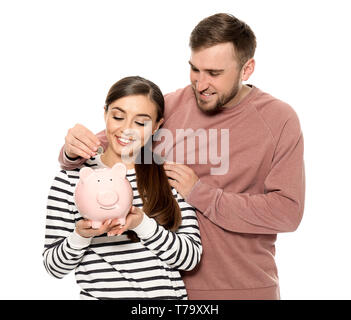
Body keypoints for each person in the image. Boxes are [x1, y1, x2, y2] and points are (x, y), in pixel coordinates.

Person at [58, 13, 305, 300]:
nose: (200, 84)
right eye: (194, 69)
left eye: (214, 73)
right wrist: (71, 150)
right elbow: (105, 146)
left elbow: (287, 212)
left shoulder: (278, 119)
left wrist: (200, 193)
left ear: (247, 68)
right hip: (168, 292)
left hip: (247, 288)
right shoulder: (171, 107)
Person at [43, 76, 202, 300]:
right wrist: (80, 236)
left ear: (157, 126)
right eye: (118, 116)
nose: (126, 129)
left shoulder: (169, 177)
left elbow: (191, 258)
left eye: (140, 122)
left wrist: (142, 224)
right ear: (105, 113)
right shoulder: (71, 181)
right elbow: (54, 267)